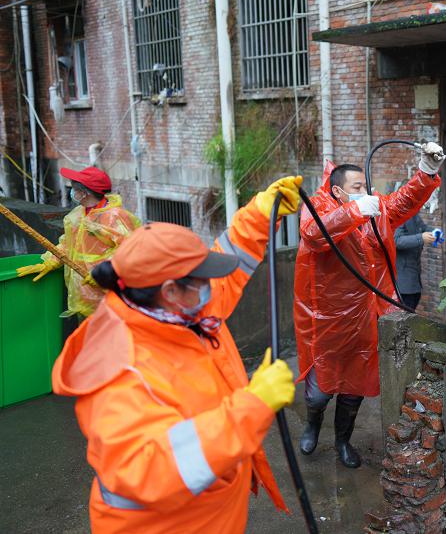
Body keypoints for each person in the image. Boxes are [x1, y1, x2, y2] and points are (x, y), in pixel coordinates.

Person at [50, 175, 304, 534]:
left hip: (210, 515)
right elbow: (150, 469)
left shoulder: (172, 307)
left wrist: (261, 214)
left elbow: (225, 268)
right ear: (170, 290)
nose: (209, 286)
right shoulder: (118, 371)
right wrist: (253, 406)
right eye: (199, 280)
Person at [293, 143, 444, 466]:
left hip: (367, 317)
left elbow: (404, 200)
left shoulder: (375, 211)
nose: (365, 192)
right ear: (337, 191)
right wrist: (355, 211)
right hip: (328, 321)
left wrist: (426, 171)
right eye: (357, 188)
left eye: (365, 187)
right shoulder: (319, 206)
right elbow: (313, 234)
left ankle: (343, 441)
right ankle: (312, 424)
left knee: (355, 386)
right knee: (319, 391)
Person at [16, 166, 140, 319]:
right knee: (85, 337)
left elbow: (130, 251)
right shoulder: (77, 215)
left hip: (106, 293)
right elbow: (68, 245)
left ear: (84, 193)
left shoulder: (116, 217)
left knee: (108, 336)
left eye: (74, 189)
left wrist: (104, 273)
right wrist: (50, 261)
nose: (72, 192)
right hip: (81, 293)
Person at [394, 212, 437, 311]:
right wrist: (421, 238)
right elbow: (396, 240)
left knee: (413, 303)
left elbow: (423, 227)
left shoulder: (413, 213)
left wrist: (436, 232)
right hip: (403, 280)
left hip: (414, 275)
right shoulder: (398, 215)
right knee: (405, 313)